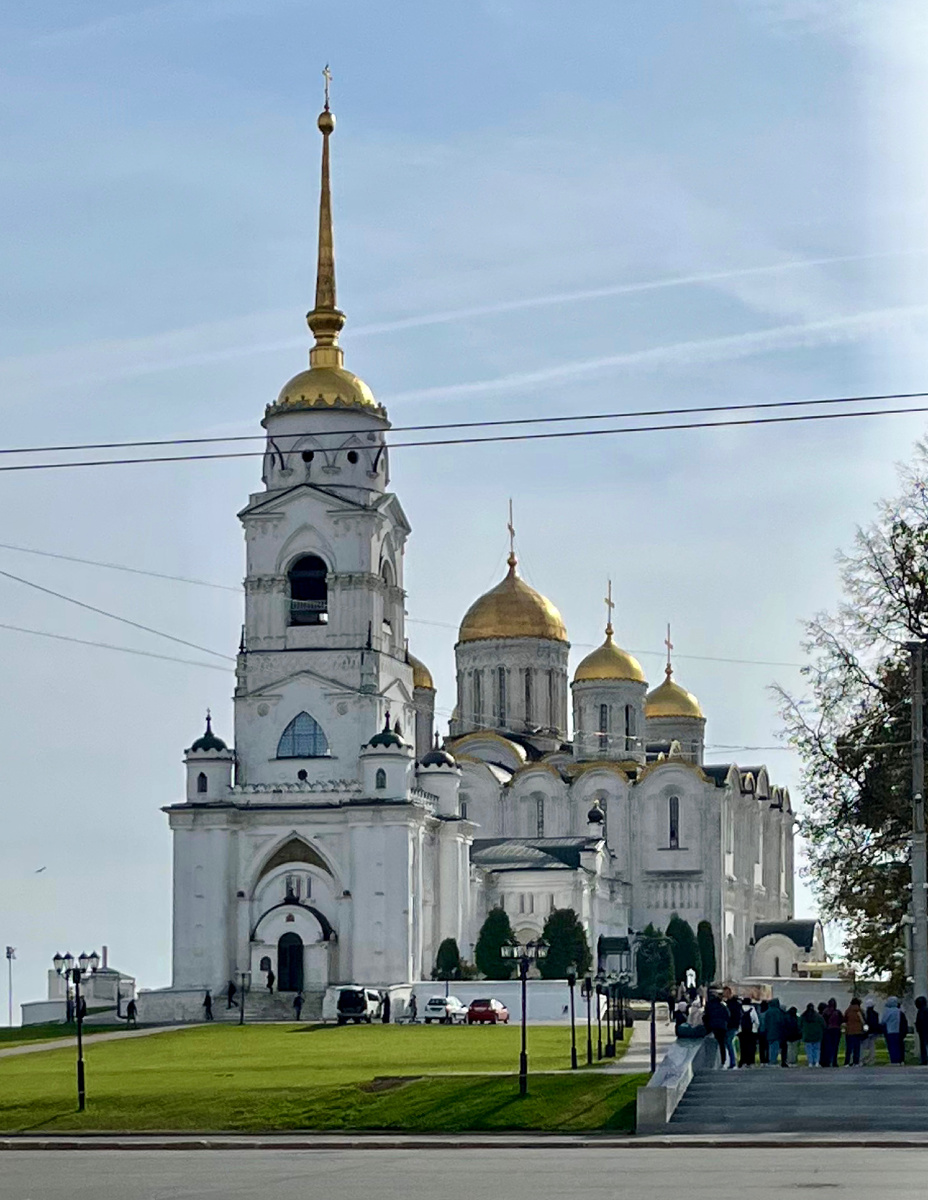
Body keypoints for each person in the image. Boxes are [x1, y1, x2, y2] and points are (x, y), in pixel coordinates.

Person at [705, 992, 730, 1068]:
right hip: (722, 1027)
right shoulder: (722, 1006)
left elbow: (706, 1016)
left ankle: (710, 1061)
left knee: (712, 1044)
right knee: (722, 1044)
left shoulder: (709, 1006)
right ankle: (723, 1061)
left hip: (712, 1027)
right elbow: (728, 1015)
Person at [800, 1002, 825, 1067]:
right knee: (817, 1049)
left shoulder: (803, 1016)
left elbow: (799, 1025)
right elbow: (824, 1025)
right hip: (817, 1035)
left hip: (807, 1036)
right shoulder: (818, 1016)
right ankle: (816, 1062)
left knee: (809, 1049)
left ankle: (810, 1062)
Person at [882, 996, 906, 1064]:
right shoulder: (899, 1011)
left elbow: (883, 1021)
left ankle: (893, 1059)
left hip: (889, 1030)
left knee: (891, 1045)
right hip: (897, 1030)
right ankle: (898, 1059)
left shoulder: (887, 1011)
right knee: (897, 1045)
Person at [821, 998, 843, 1068]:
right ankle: (834, 1061)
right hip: (836, 1030)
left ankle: (828, 1061)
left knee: (828, 1047)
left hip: (828, 1030)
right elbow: (842, 1020)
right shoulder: (838, 1012)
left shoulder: (825, 1012)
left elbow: (823, 1021)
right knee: (835, 1047)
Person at [844, 997, 865, 1066]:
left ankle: (847, 1062)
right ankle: (856, 1062)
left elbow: (844, 1019)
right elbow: (863, 1021)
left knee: (849, 1048)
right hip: (858, 1031)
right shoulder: (860, 1011)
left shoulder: (848, 1010)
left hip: (849, 1031)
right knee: (857, 1048)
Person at [738, 1000, 759, 1068]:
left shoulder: (740, 1009)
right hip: (750, 1031)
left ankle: (743, 1061)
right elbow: (756, 1021)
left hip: (742, 1031)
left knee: (743, 1047)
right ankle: (750, 1061)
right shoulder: (752, 1009)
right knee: (751, 1047)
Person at [723, 989, 740, 1069]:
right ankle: (732, 1060)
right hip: (732, 1025)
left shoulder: (732, 1004)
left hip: (732, 1026)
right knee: (728, 1043)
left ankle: (732, 1061)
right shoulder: (733, 1003)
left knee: (728, 1042)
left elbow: (733, 1016)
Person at [766, 998, 785, 1067]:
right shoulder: (778, 1012)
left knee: (770, 1046)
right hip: (777, 1032)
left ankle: (771, 1060)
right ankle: (774, 1060)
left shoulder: (768, 1012)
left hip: (769, 1032)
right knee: (776, 1047)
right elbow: (781, 1022)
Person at [863, 999, 881, 1066]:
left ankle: (865, 1059)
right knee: (872, 1046)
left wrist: (865, 1031)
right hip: (874, 1031)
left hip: (868, 1032)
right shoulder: (876, 1014)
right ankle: (872, 1059)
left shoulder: (866, 1014)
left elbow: (865, 1023)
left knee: (865, 1046)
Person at [915, 996, 928, 1065]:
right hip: (923, 1031)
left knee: (923, 1046)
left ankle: (924, 1059)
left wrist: (918, 1027)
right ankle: (924, 1059)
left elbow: (920, 1021)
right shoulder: (923, 1011)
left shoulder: (922, 1012)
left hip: (923, 1031)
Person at [757, 1000, 769, 1065]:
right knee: (767, 1047)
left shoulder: (759, 1014)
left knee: (761, 1047)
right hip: (767, 1032)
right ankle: (767, 1059)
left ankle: (762, 1060)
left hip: (761, 1032)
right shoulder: (768, 1013)